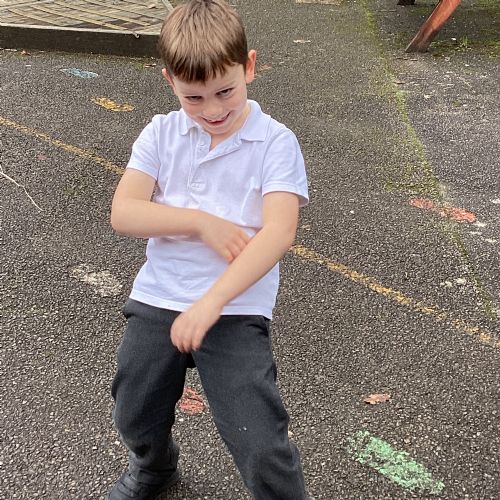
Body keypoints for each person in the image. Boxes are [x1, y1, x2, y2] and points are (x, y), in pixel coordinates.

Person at [108, 1, 309, 499]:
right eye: (193, 98)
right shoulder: (161, 132)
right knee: (134, 409)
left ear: (249, 67)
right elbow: (124, 212)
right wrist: (200, 223)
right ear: (169, 81)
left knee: (258, 438)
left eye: (225, 91)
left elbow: (279, 233)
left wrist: (212, 302)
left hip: (235, 304)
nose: (213, 110)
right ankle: (154, 468)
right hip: (161, 294)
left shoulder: (274, 142)